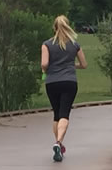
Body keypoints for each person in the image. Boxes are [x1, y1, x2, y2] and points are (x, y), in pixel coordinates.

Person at [41, 15, 87, 162]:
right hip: (69, 81)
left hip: (52, 82)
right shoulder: (74, 45)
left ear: (54, 27)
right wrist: (71, 65)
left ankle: (59, 144)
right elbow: (84, 64)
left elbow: (44, 64)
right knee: (64, 114)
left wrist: (48, 69)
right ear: (68, 26)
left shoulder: (46, 44)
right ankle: (58, 143)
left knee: (56, 114)